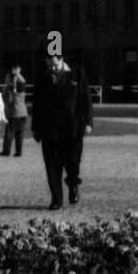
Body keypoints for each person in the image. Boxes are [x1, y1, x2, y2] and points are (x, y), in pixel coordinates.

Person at [30, 50, 93, 210]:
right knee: (52, 166)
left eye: (55, 64)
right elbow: (36, 105)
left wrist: (88, 122)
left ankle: (73, 185)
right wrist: (36, 128)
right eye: (49, 65)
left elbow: (86, 99)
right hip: (50, 129)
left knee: (73, 162)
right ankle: (56, 199)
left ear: (61, 59)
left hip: (72, 128)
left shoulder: (76, 74)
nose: (52, 68)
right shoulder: (42, 78)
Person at [0, 64, 28, 157]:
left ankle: (6, 151)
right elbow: (23, 81)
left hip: (14, 113)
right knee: (19, 133)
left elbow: (7, 100)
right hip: (23, 113)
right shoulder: (22, 88)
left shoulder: (8, 88)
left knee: (9, 132)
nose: (5, 79)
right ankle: (18, 152)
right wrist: (18, 73)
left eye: (7, 78)